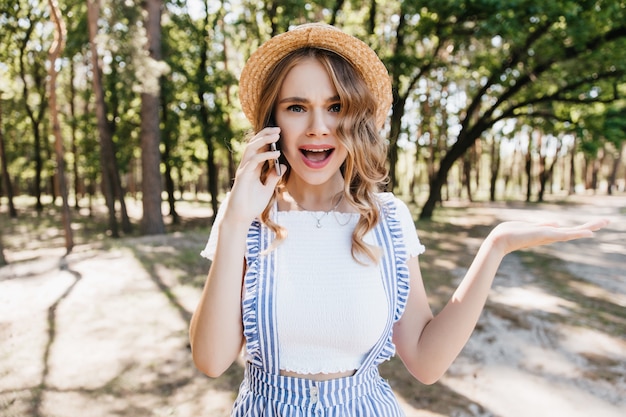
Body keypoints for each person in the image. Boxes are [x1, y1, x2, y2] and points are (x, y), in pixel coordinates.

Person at [189, 23, 607, 416]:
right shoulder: (245, 218)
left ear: (357, 118)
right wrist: (235, 220)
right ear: (273, 121)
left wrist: (495, 245)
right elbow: (210, 360)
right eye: (297, 107)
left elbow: (426, 362)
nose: (318, 127)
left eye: (336, 107)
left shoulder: (386, 218)